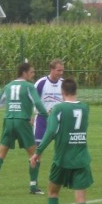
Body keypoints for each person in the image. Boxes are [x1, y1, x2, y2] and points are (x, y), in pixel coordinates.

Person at [30, 78, 92, 204]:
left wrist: (37, 152)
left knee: (53, 192)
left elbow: (50, 133)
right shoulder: (85, 108)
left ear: (62, 92)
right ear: (76, 91)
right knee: (80, 198)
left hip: (62, 159)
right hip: (80, 158)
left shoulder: (58, 108)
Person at [0, 61, 48, 195]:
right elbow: (37, 102)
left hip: (8, 121)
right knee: (34, 154)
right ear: (24, 73)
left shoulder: (8, 86)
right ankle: (33, 186)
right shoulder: (29, 86)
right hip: (22, 122)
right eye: (31, 72)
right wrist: (46, 115)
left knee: (1, 154)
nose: (33, 74)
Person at [33, 58, 66, 194]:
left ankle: (59, 179)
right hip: (42, 121)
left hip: (59, 122)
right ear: (51, 69)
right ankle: (33, 184)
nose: (61, 73)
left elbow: (67, 101)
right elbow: (33, 100)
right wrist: (38, 113)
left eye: (62, 70)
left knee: (62, 152)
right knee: (38, 151)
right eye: (59, 70)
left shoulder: (63, 83)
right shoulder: (41, 83)